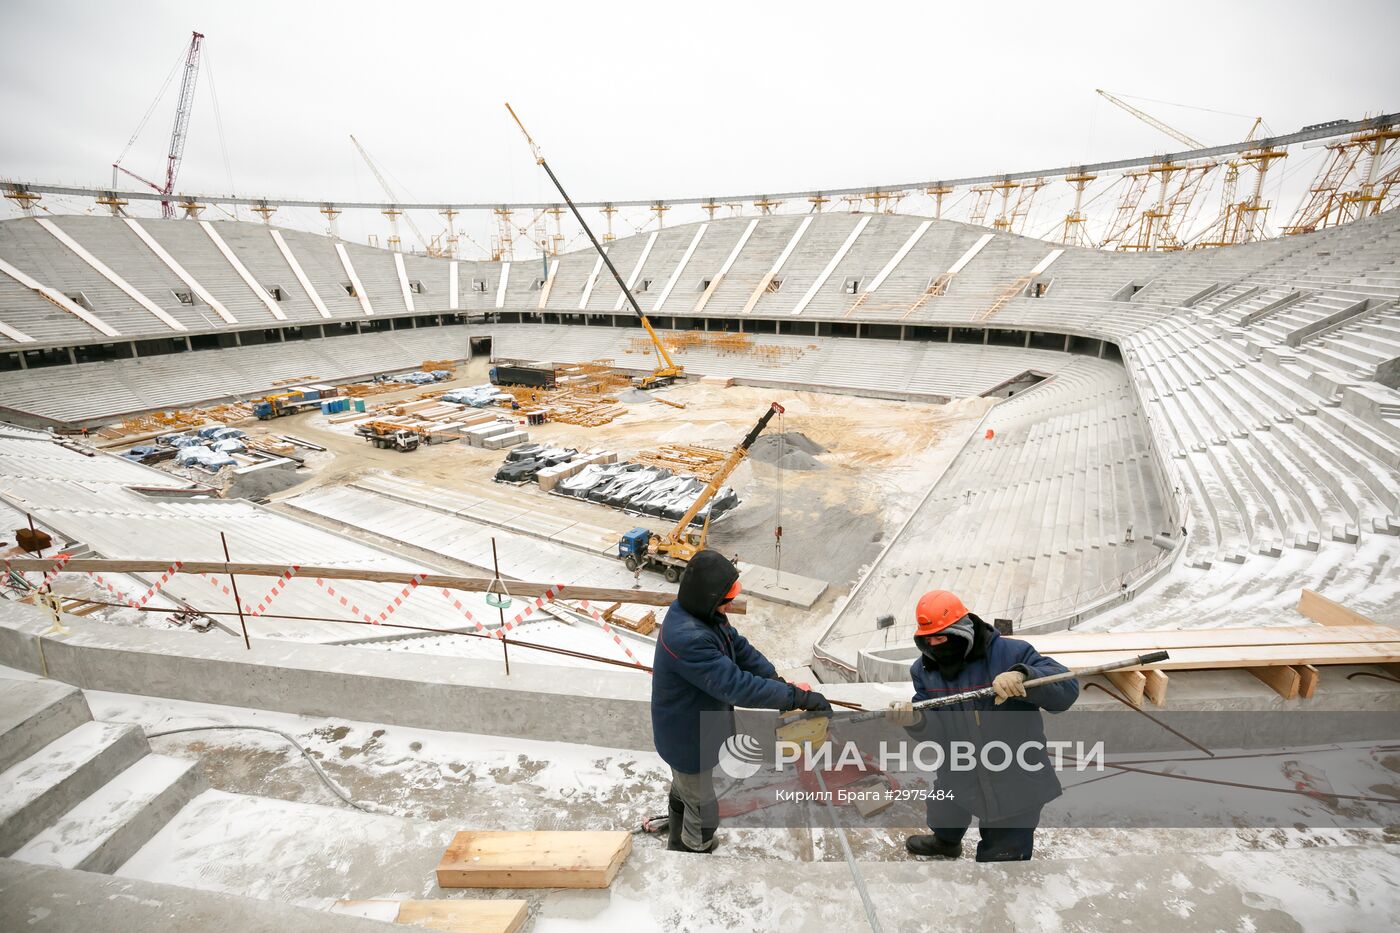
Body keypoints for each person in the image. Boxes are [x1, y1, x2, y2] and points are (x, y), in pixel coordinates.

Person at [651, 549, 831, 853]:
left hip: (693, 728)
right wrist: (795, 697)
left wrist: (776, 682)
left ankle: (679, 828)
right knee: (702, 805)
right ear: (708, 598)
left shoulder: (702, 614)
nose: (730, 605)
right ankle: (694, 848)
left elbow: (739, 648)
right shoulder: (689, 637)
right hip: (686, 738)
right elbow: (736, 686)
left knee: (686, 790)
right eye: (725, 600)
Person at [887, 590, 1078, 862]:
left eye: (940, 637)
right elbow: (937, 732)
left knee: (1003, 855)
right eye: (927, 639)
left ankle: (1002, 869)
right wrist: (916, 720)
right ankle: (946, 842)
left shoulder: (1011, 653)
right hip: (959, 767)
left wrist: (1025, 676)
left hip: (1014, 772)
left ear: (961, 631)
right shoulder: (925, 670)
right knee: (946, 809)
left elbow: (1067, 689)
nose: (934, 645)